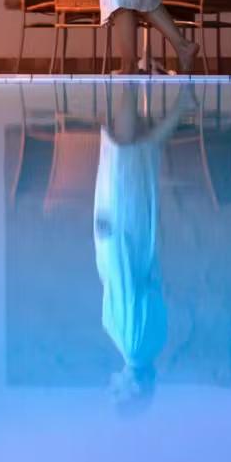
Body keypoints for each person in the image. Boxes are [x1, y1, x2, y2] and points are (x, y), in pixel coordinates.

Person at [93, 82, 195, 409]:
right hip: (124, 233)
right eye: (115, 393)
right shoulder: (132, 343)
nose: (109, 386)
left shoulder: (154, 345)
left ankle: (180, 102)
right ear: (130, 390)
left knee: (140, 157)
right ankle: (133, 73)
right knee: (125, 155)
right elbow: (125, 285)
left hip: (139, 239)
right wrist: (110, 236)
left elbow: (151, 286)